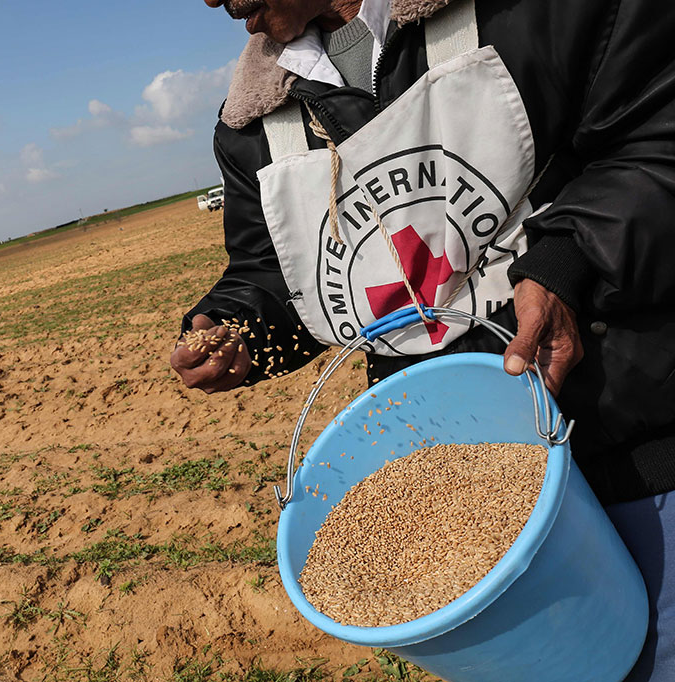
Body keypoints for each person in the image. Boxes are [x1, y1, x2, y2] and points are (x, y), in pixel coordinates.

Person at [171, 1, 675, 679]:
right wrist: (234, 326)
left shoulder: (526, 11)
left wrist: (566, 263)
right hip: (453, 505)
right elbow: (277, 272)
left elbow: (655, 136)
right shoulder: (252, 125)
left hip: (630, 445)